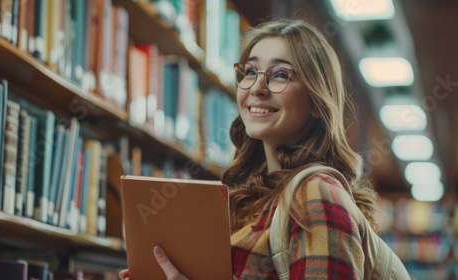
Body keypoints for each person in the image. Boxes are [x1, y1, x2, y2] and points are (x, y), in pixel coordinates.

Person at [120, 18, 410, 280]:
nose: (257, 86)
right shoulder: (252, 201)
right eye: (249, 71)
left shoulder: (317, 194)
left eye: (280, 74)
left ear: (316, 104)